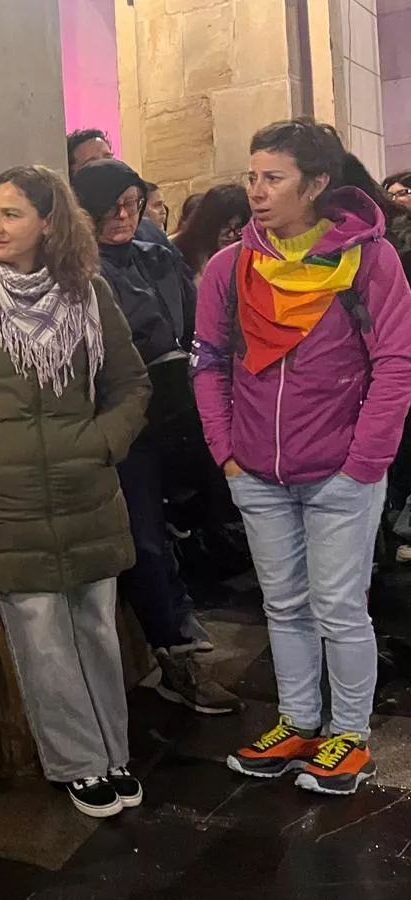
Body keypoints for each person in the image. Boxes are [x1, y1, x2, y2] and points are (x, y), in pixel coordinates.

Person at [0, 166, 152, 818]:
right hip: (4, 499)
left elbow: (132, 385)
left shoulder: (88, 294)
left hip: (84, 492)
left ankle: (114, 750)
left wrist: (102, 443)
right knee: (40, 634)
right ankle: (78, 762)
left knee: (95, 627)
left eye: (11, 214)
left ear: (49, 223)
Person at [195, 119, 411, 796]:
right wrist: (227, 453)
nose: (256, 192)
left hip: (340, 473)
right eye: (251, 176)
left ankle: (347, 734)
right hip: (257, 472)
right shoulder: (230, 267)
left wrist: (364, 463)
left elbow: (396, 367)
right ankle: (297, 721)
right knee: (283, 605)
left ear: (317, 184)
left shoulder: (370, 262)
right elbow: (207, 365)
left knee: (339, 606)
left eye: (273, 178)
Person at [71, 161, 241, 716]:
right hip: (124, 422)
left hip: (177, 412)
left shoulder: (157, 255)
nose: (124, 215)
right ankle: (174, 651)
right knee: (144, 536)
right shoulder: (75, 272)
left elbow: (196, 327)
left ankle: (181, 619)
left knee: (183, 524)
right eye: (111, 205)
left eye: (133, 203)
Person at [173, 184, 252, 278]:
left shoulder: (251, 257)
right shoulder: (180, 255)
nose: (231, 235)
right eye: (225, 226)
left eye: (239, 227)